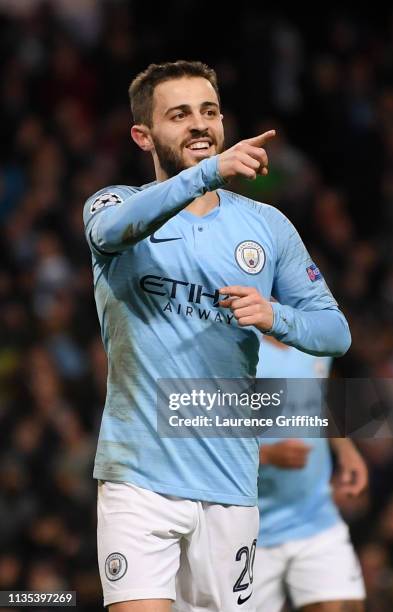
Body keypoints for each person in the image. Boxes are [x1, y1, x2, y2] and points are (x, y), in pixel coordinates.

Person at [83, 60, 351, 612]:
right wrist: (208, 174)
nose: (199, 124)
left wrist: (276, 316)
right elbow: (111, 232)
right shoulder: (112, 205)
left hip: (229, 484)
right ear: (144, 134)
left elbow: (335, 331)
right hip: (139, 480)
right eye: (179, 115)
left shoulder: (266, 226)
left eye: (208, 111)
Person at [255, 335, 366, 612]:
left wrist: (344, 448)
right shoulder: (229, 338)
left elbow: (317, 397)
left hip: (315, 515)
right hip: (249, 530)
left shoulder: (317, 331)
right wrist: (266, 455)